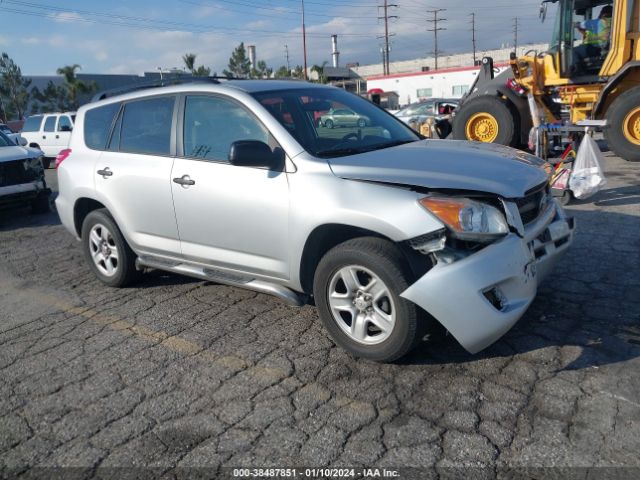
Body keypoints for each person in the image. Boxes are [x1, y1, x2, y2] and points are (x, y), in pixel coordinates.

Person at [573, 5, 613, 73]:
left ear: (603, 13)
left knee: (573, 52)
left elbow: (579, 25)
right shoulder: (615, 22)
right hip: (608, 50)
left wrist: (574, 24)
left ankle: (577, 70)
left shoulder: (597, 22)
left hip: (595, 50)